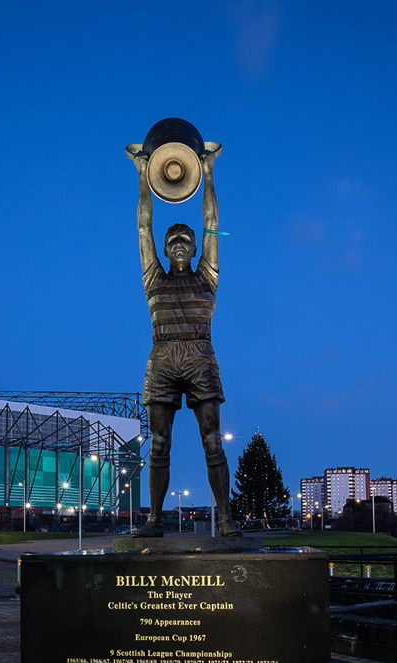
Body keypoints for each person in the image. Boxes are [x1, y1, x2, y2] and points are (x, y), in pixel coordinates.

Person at [130, 146, 241, 538]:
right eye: (173, 240)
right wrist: (144, 173)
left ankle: (226, 518)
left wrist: (207, 172)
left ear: (195, 249)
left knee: (212, 440)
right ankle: (154, 520)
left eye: (185, 240)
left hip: (199, 356)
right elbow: (144, 226)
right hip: (161, 358)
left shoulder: (207, 277)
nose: (179, 244)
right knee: (159, 443)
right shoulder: (153, 280)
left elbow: (211, 220)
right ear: (164, 250)